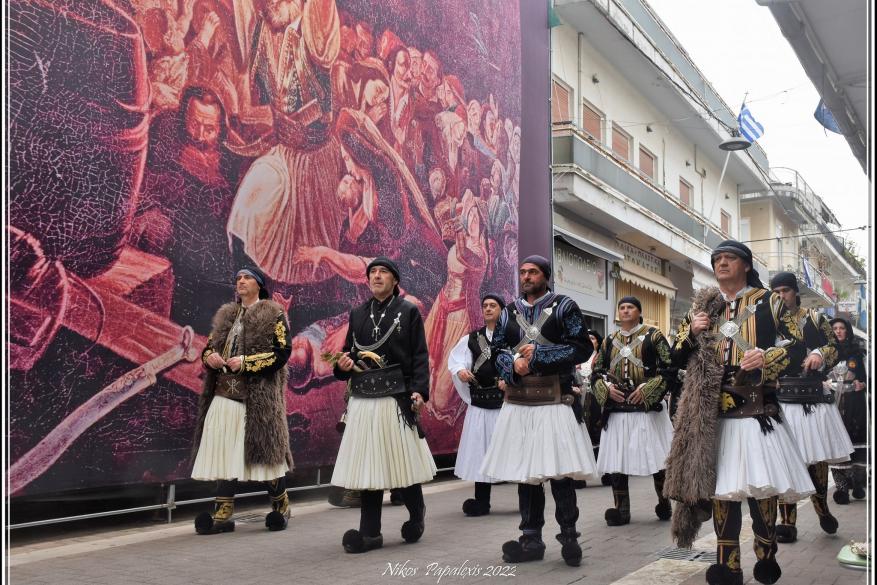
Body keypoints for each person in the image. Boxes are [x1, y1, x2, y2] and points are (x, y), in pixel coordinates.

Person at [663, 240, 814, 585]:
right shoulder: (702, 309)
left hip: (756, 410)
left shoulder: (770, 301)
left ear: (745, 265)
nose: (722, 263)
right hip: (711, 414)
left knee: (761, 488)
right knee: (720, 491)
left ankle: (765, 553)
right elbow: (673, 357)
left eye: (729, 258)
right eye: (717, 259)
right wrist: (692, 333)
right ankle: (727, 564)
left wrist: (766, 357)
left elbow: (797, 345)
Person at [480, 255, 599, 567]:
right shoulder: (509, 311)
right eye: (522, 272)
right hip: (520, 401)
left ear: (545, 275)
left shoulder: (565, 305)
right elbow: (495, 351)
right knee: (527, 474)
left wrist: (538, 355)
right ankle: (530, 539)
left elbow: (581, 348)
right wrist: (513, 364)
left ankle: (570, 537)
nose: (526, 276)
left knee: (559, 472)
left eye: (532, 272)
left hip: (554, 397)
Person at [330, 257, 437, 553]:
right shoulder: (358, 313)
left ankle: (416, 515)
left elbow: (419, 356)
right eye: (372, 273)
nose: (376, 276)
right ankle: (370, 533)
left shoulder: (409, 311)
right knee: (370, 465)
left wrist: (420, 392)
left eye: (383, 272)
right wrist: (344, 363)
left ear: (395, 280)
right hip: (364, 399)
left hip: (397, 397)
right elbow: (347, 355)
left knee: (403, 464)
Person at [191, 266, 293, 534]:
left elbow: (282, 353)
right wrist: (209, 357)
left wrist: (248, 362)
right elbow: (209, 347)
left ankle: (280, 505)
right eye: (237, 278)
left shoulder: (274, 313)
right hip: (224, 392)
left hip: (257, 397)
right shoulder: (227, 315)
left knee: (266, 452)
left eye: (247, 277)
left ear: (259, 284)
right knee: (225, 450)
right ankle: (223, 513)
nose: (241, 282)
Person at [769, 272, 852, 543]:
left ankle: (822, 510)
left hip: (813, 400)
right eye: (776, 291)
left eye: (786, 290)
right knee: (786, 461)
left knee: (816, 461)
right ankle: (787, 523)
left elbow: (835, 348)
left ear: (795, 292)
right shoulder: (766, 321)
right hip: (781, 400)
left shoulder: (816, 318)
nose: (781, 296)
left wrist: (819, 353)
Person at [591, 297, 674, 525]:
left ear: (639, 312)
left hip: (647, 410)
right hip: (618, 411)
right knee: (618, 460)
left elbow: (669, 368)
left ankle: (664, 502)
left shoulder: (654, 336)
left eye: (630, 307)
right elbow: (596, 372)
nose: (626, 311)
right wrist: (606, 390)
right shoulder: (609, 340)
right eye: (622, 307)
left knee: (657, 460)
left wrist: (649, 389)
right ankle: (621, 510)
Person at [447, 293, 506, 517]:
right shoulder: (471, 338)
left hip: (506, 404)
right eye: (485, 306)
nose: (488, 309)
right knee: (482, 453)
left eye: (493, 305)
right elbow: (456, 361)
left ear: (502, 310)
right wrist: (461, 371)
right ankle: (482, 502)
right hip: (481, 403)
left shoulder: (510, 337)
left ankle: (526, 500)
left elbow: (522, 360)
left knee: (512, 450)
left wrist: (510, 380)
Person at [827, 317, 868, 505]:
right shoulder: (825, 353)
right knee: (837, 445)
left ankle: (858, 484)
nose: (838, 331)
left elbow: (867, 378)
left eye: (841, 328)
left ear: (847, 330)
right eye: (834, 328)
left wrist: (864, 384)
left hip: (855, 404)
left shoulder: (858, 353)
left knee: (855, 442)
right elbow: (817, 375)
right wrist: (823, 382)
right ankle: (842, 489)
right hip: (834, 404)